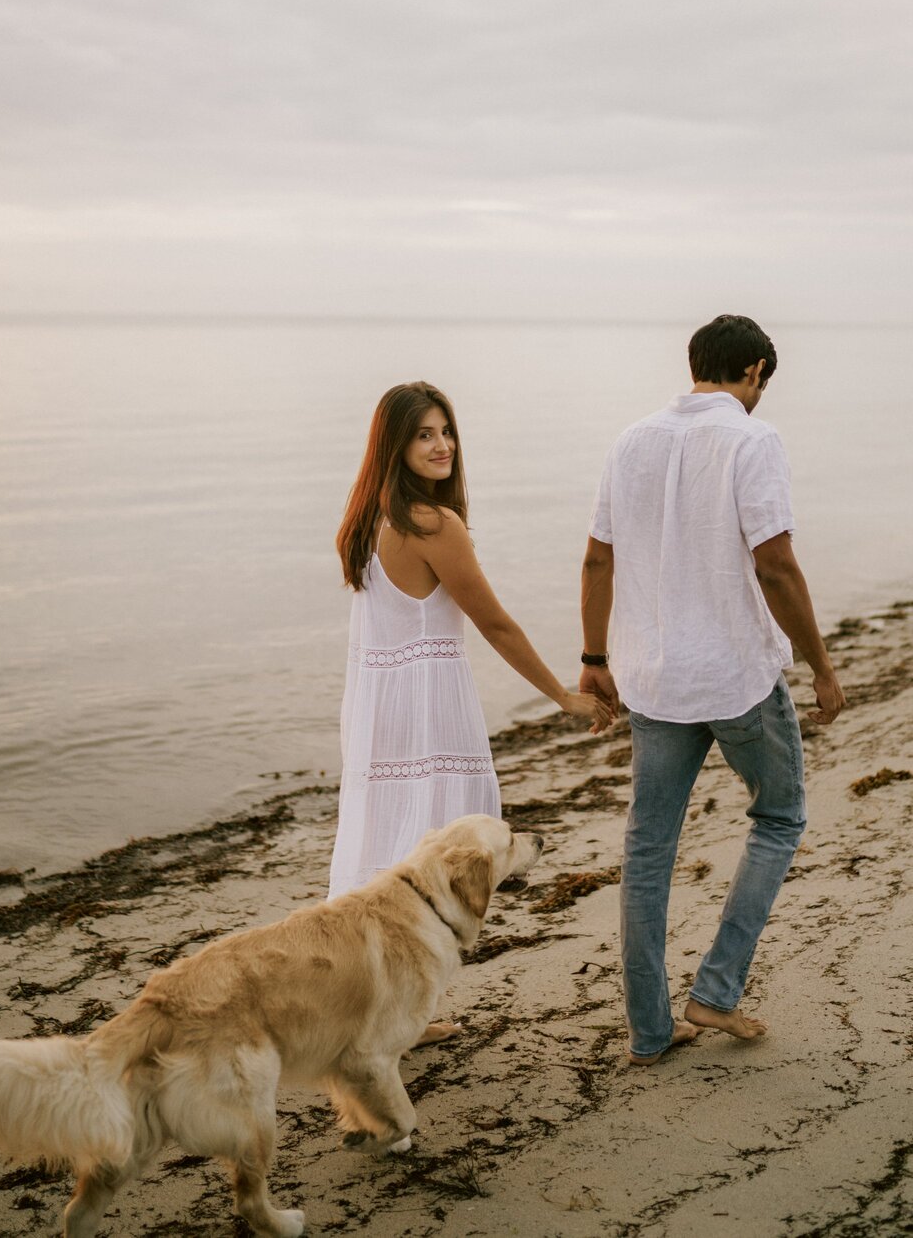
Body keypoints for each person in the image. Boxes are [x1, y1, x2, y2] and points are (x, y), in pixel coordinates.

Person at [579, 314, 845, 1065]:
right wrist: (821, 665)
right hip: (734, 677)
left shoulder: (632, 440)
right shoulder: (752, 440)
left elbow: (598, 559)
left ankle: (649, 1032)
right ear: (755, 371)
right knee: (782, 816)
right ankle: (717, 990)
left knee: (648, 848)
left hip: (654, 678)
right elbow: (775, 565)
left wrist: (594, 657)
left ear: (695, 363)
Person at [330, 382, 612, 975]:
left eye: (446, 431)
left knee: (387, 846)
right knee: (429, 859)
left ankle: (375, 993)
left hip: (381, 706)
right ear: (394, 445)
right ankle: (395, 997)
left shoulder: (367, 520)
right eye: (424, 435)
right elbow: (495, 624)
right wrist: (562, 696)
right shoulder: (434, 523)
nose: (443, 445)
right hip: (427, 708)